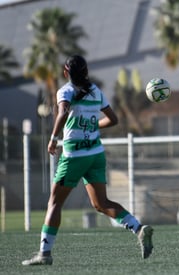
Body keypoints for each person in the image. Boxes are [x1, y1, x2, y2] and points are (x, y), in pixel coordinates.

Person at [22, 55, 153, 266]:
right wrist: (91, 126)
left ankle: (44, 254)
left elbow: (63, 112)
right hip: (95, 154)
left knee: (54, 203)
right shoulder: (96, 92)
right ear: (86, 72)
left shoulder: (65, 91)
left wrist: (54, 138)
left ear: (66, 72)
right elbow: (113, 119)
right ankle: (138, 228)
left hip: (74, 155)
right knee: (101, 203)